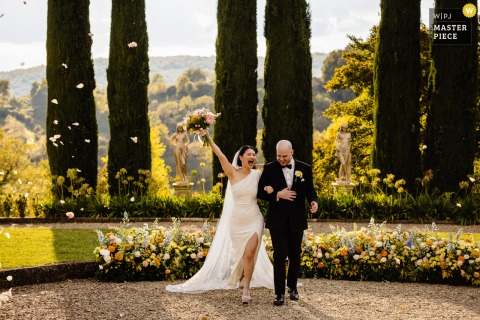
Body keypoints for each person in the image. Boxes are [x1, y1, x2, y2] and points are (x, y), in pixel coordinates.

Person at [166, 129, 275, 305]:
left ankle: (246, 288)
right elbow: (219, 154)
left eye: (254, 155)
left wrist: (270, 190)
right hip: (237, 221)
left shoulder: (258, 175)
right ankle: (241, 277)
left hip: (254, 218)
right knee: (242, 255)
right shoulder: (232, 172)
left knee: (249, 253)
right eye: (249, 154)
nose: (252, 157)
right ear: (241, 157)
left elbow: (266, 189)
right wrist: (207, 137)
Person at [257, 140, 318, 306]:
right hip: (277, 220)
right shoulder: (269, 168)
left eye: (284, 156)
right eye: (278, 156)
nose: (281, 159)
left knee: (295, 255)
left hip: (297, 219)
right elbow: (260, 191)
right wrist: (277, 194)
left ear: (292, 152)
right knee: (279, 255)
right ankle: (279, 293)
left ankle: (292, 288)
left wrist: (314, 202)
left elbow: (311, 191)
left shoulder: (305, 168)